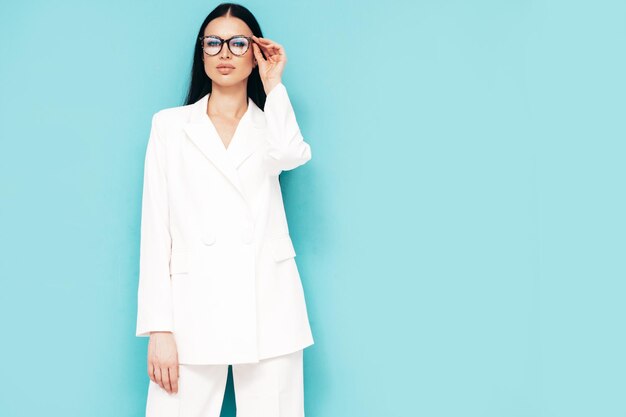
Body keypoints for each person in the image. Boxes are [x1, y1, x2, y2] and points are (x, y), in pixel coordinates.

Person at [135, 3, 315, 416]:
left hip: (269, 305)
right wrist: (159, 327)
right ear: (201, 53)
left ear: (256, 53)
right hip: (191, 307)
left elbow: (291, 153)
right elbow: (155, 230)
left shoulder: (271, 122)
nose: (225, 53)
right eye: (213, 43)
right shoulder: (169, 126)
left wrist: (274, 86)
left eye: (238, 43)